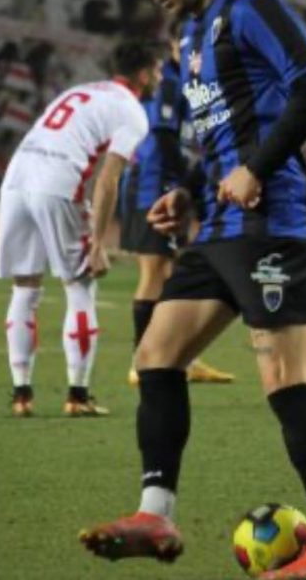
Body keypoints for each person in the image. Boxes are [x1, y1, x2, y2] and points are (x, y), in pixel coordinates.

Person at [79, 0, 306, 580]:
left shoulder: (253, 10)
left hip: (274, 219)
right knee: (156, 354)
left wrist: (254, 167)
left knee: (283, 376)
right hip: (218, 227)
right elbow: (203, 135)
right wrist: (185, 189)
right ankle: (155, 513)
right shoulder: (190, 38)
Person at [0, 39, 154, 418]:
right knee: (80, 284)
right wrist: (98, 241)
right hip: (57, 183)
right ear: (145, 75)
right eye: (159, 71)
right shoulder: (132, 111)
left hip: (17, 179)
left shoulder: (80, 90)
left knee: (25, 286)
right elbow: (107, 180)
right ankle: (77, 395)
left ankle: (21, 395)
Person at [120, 32, 234, 386]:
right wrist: (188, 182)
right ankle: (142, 362)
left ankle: (181, 357)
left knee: (171, 275)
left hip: (170, 187)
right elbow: (165, 137)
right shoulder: (168, 83)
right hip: (154, 189)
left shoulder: (191, 82)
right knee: (154, 274)